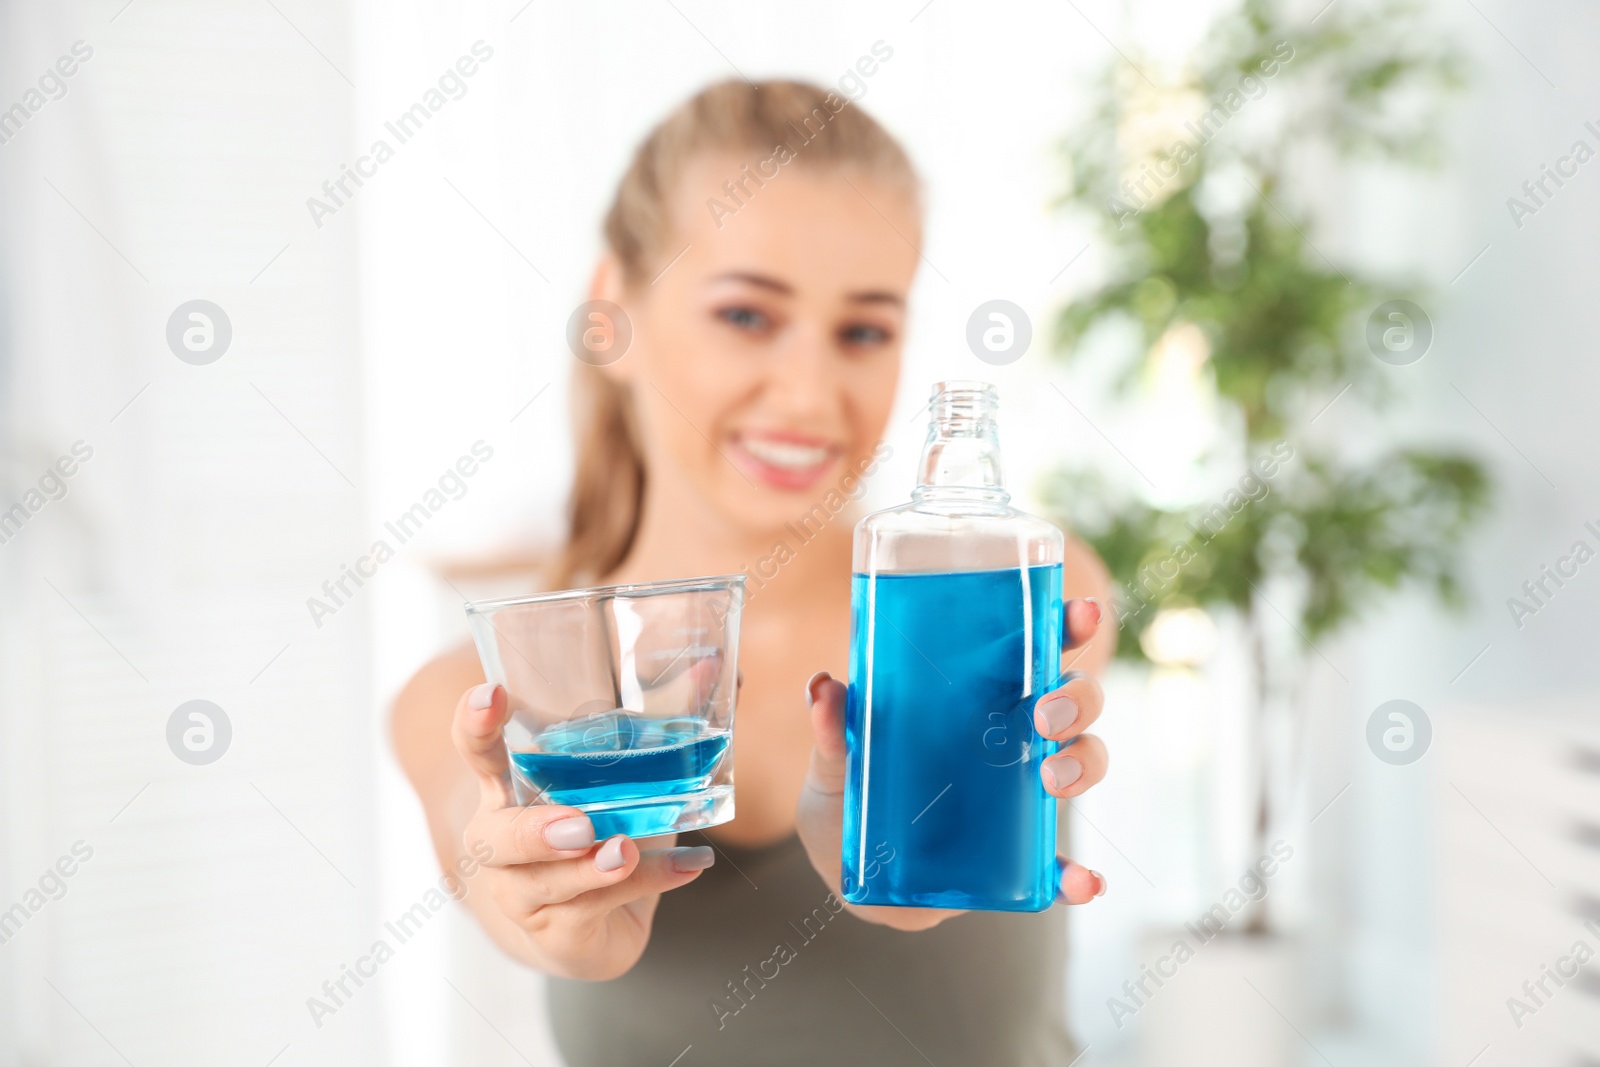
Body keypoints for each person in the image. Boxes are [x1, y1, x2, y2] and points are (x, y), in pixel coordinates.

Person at [392, 78, 1113, 1066]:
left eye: (864, 330)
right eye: (745, 314)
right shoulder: (462, 695)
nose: (811, 393)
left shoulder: (1007, 594)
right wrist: (545, 901)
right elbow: (491, 873)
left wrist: (917, 860)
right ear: (614, 311)